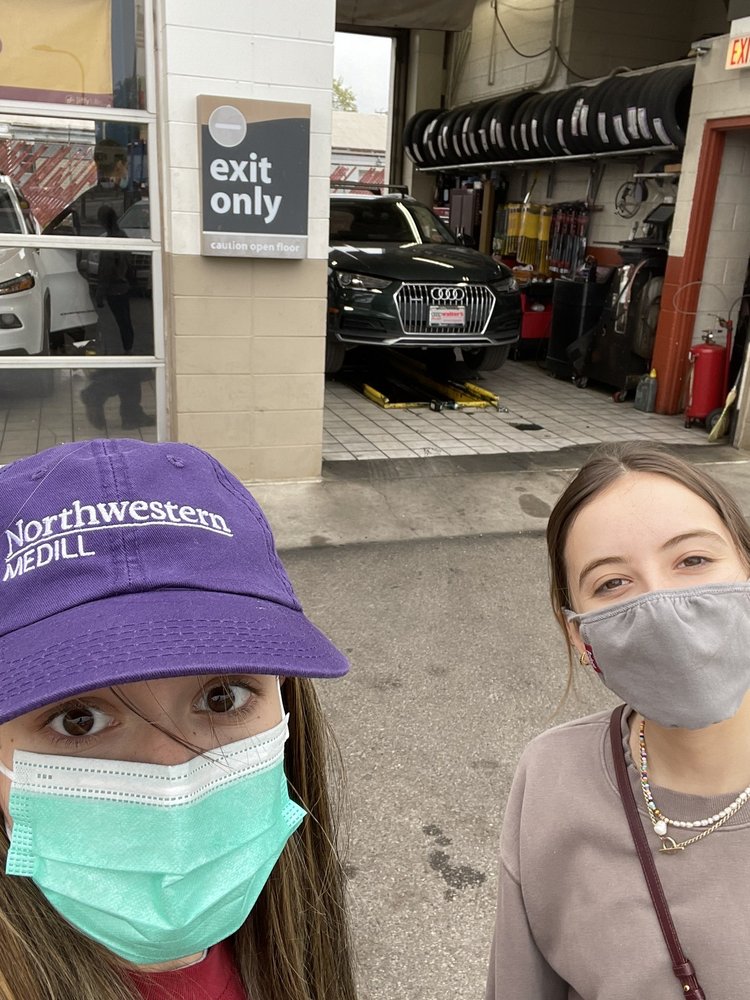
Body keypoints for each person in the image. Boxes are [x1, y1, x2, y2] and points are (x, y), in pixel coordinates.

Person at [0, 438, 356, 1000]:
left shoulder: (294, 939)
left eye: (222, 697)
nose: (174, 781)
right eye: (77, 719)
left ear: (285, 698)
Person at [486, 443, 750, 999]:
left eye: (693, 560)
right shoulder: (551, 776)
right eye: (611, 583)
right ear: (580, 636)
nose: (661, 604)